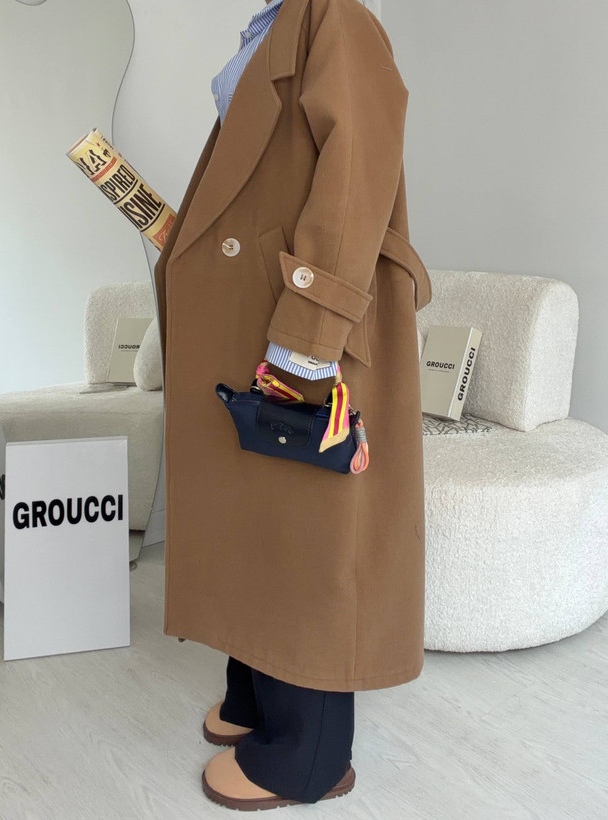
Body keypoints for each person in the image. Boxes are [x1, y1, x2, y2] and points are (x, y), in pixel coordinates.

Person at [152, 0, 432, 811]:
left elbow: (358, 168)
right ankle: (253, 695)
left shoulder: (334, 16)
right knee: (255, 518)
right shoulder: (271, 25)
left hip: (303, 325)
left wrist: (309, 329)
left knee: (305, 531)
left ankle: (307, 757)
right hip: (253, 314)